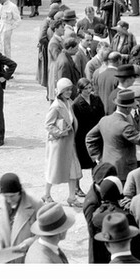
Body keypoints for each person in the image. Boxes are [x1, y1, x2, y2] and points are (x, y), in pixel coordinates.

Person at [85, 89, 140, 183]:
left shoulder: (104, 120)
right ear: (128, 108)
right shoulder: (125, 126)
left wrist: (98, 158)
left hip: (107, 167)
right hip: (124, 171)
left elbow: (89, 137)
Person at [43, 78, 82, 207]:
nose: (69, 92)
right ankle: (46, 194)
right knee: (54, 170)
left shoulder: (68, 102)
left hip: (69, 142)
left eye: (70, 89)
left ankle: (71, 197)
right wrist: (60, 133)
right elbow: (48, 125)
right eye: (66, 90)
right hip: (59, 144)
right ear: (60, 91)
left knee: (73, 169)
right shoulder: (56, 106)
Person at [0, 173, 43, 264]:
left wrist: (29, 242)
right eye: (6, 196)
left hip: (28, 257)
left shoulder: (36, 205)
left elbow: (44, 232)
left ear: (20, 192)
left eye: (12, 196)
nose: (9, 200)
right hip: (6, 258)